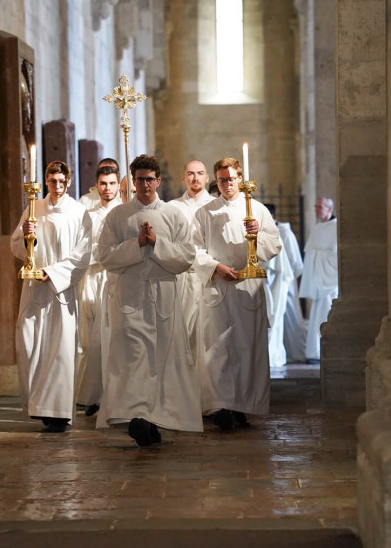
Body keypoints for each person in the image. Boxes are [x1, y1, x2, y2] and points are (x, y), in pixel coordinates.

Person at [96, 154, 200, 446]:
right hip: (130, 296)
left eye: (149, 179)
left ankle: (154, 419)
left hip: (163, 293)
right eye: (139, 179)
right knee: (133, 359)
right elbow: (105, 256)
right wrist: (137, 243)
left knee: (161, 360)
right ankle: (136, 416)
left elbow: (187, 256)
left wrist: (156, 243)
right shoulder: (117, 216)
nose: (144, 184)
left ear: (158, 181)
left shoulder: (173, 215)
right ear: (133, 181)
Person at [192, 158, 282, 430]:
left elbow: (274, 244)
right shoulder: (205, 212)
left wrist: (257, 235)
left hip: (247, 287)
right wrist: (215, 267)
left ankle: (242, 405)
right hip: (218, 286)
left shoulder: (257, 209)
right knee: (217, 349)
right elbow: (193, 249)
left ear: (240, 179)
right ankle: (220, 406)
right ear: (216, 181)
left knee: (246, 348)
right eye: (221, 180)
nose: (227, 184)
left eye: (231, 179)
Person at [10, 160, 92, 432]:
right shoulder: (34, 208)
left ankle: (57, 412)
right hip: (35, 289)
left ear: (69, 182)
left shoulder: (79, 213)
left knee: (60, 349)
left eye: (61, 182)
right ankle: (38, 405)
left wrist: (53, 273)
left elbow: (83, 255)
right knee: (29, 343)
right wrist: (27, 238)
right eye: (53, 181)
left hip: (61, 290)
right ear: (46, 182)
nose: (57, 186)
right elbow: (15, 245)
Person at [76, 164, 121, 417]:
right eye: (103, 183)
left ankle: (111, 395)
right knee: (89, 339)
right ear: (97, 185)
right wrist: (100, 254)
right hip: (91, 278)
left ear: (118, 185)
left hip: (113, 278)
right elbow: (82, 247)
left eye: (112, 183)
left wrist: (106, 254)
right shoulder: (88, 213)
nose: (107, 188)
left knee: (111, 338)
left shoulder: (124, 211)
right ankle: (91, 395)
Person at [167, 160, 215, 377]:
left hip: (209, 278)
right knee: (181, 335)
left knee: (206, 336)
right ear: (183, 177)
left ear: (207, 178)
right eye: (191, 174)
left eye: (200, 173)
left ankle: (205, 389)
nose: (195, 178)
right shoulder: (172, 207)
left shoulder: (216, 205)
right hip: (182, 278)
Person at [298, 197, 338, 363]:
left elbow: (336, 255)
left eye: (320, 207)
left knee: (327, 312)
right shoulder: (318, 227)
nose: (316, 210)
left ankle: (325, 350)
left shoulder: (336, 227)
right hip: (318, 280)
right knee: (316, 315)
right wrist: (314, 254)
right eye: (315, 206)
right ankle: (314, 351)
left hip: (329, 281)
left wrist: (317, 255)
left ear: (329, 209)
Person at [263, 204, 294, 367]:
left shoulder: (274, 235)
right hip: (264, 285)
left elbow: (277, 266)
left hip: (273, 285)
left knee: (272, 320)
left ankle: (272, 356)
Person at [277, 215, 307, 363]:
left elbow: (294, 261)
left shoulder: (285, 233)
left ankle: (296, 353)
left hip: (285, 282)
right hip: (272, 282)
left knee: (290, 316)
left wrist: (285, 277)